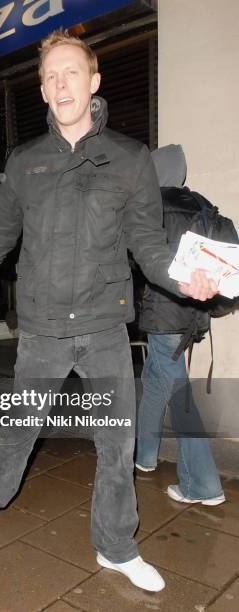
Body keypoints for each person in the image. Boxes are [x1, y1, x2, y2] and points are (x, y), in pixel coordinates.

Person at [0, 30, 217, 592]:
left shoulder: (129, 158)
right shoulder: (25, 162)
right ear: (44, 91)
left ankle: (117, 547)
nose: (59, 83)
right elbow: (0, 235)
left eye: (70, 72)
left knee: (115, 443)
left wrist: (181, 277)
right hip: (44, 330)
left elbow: (148, 243)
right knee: (20, 430)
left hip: (102, 327)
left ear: (93, 82)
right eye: (50, 76)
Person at [136, 144, 225, 505]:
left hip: (163, 313)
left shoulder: (151, 208)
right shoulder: (200, 205)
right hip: (193, 312)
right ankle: (144, 455)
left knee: (178, 392)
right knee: (156, 379)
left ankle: (202, 485)